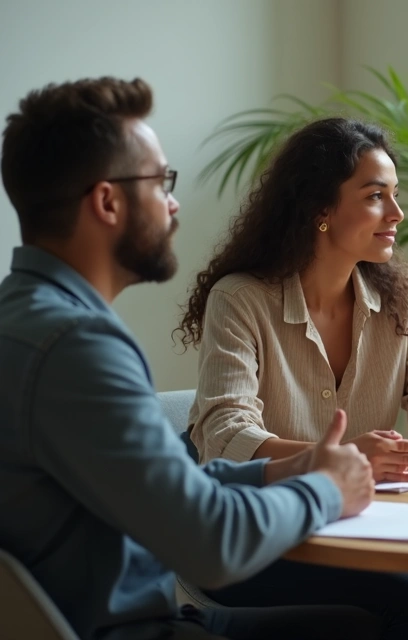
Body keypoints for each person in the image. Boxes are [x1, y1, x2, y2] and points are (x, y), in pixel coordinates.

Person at [0, 77, 381, 640]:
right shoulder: (78, 347)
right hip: (127, 629)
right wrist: (328, 490)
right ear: (107, 201)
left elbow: (167, 485)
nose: (174, 202)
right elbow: (212, 545)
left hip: (115, 614)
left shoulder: (24, 318)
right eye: (161, 182)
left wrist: (287, 467)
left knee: (372, 622)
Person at [175, 117, 408, 639]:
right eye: (376, 196)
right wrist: (339, 459)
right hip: (248, 531)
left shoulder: (402, 301)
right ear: (321, 209)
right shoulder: (240, 299)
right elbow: (224, 436)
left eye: (395, 195)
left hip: (351, 524)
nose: (398, 214)